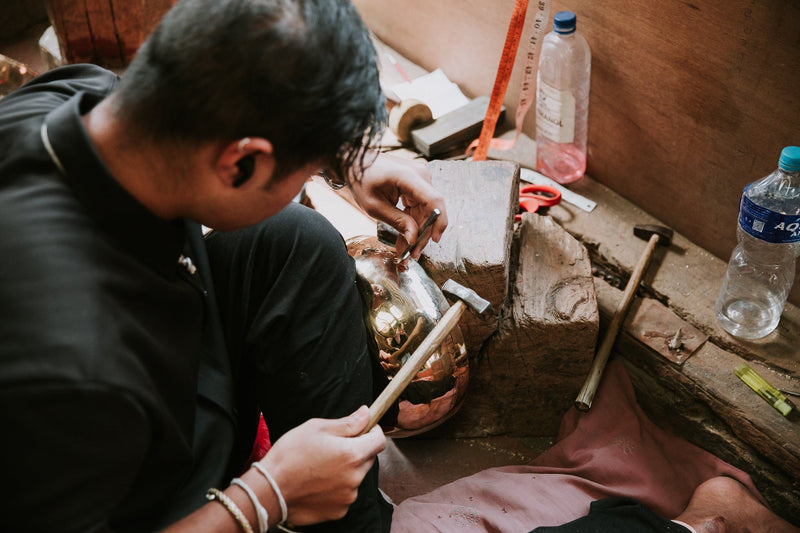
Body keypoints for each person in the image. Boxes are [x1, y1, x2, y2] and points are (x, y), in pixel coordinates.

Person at [0, 1, 446, 532]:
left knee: (293, 242)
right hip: (132, 485)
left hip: (167, 364)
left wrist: (348, 160)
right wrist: (266, 496)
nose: (310, 178)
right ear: (240, 162)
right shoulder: (75, 370)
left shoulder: (76, 97)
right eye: (302, 170)